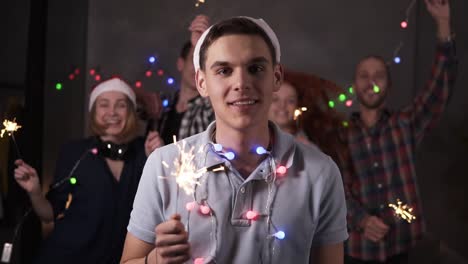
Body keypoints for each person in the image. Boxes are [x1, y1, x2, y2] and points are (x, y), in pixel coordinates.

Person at [121, 16, 348, 264]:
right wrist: (155, 260)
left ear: (277, 76)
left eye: (255, 69)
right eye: (224, 71)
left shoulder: (320, 172)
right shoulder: (164, 164)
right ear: (202, 82)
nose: (241, 83)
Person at [340, 0, 457, 263]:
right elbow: (335, 189)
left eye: (379, 75)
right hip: (358, 251)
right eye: (364, 76)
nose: (371, 82)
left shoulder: (405, 124)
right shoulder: (340, 135)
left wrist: (443, 24)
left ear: (389, 85)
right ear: (355, 86)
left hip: (403, 246)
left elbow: (440, 87)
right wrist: (361, 219)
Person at [14, 77, 160, 263]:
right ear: (93, 111)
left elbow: (165, 204)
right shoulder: (74, 151)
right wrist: (34, 191)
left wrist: (157, 159)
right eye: (104, 105)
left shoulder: (146, 151)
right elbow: (49, 214)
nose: (112, 112)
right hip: (71, 256)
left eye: (121, 105)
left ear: (131, 112)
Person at [157, 15, 215, 145]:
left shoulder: (209, 107)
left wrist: (202, 45)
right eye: (194, 61)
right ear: (180, 64)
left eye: (203, 62)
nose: (198, 68)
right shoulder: (164, 105)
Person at [268, 70, 348, 163]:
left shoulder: (309, 148)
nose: (282, 105)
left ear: (297, 107)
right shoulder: (250, 143)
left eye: (290, 101)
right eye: (275, 99)